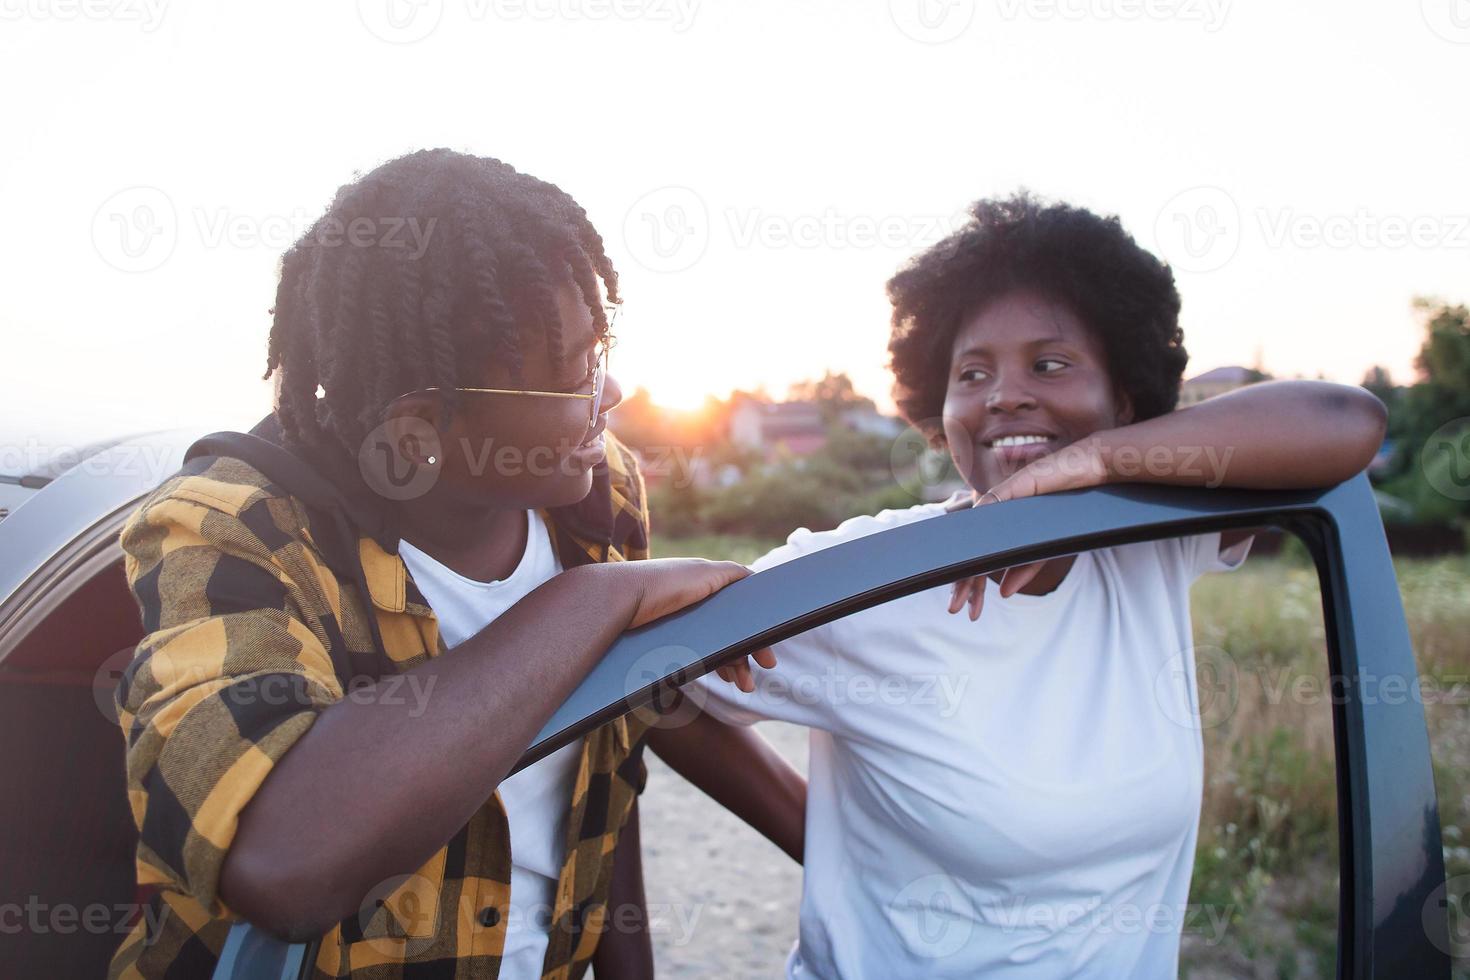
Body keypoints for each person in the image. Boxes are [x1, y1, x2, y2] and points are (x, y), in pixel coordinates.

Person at [108, 148, 802, 979]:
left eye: (598, 352)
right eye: (578, 373)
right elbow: (283, 862)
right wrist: (595, 600)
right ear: (419, 430)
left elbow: (606, 789)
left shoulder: (596, 489)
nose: (609, 397)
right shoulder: (230, 528)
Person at [691, 193, 1387, 978]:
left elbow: (1345, 421)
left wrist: (1100, 461)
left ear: (1123, 400)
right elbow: (657, 685)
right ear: (940, 406)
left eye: (1048, 365)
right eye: (972, 372)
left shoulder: (1150, 544)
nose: (1004, 395)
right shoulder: (870, 573)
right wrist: (814, 836)